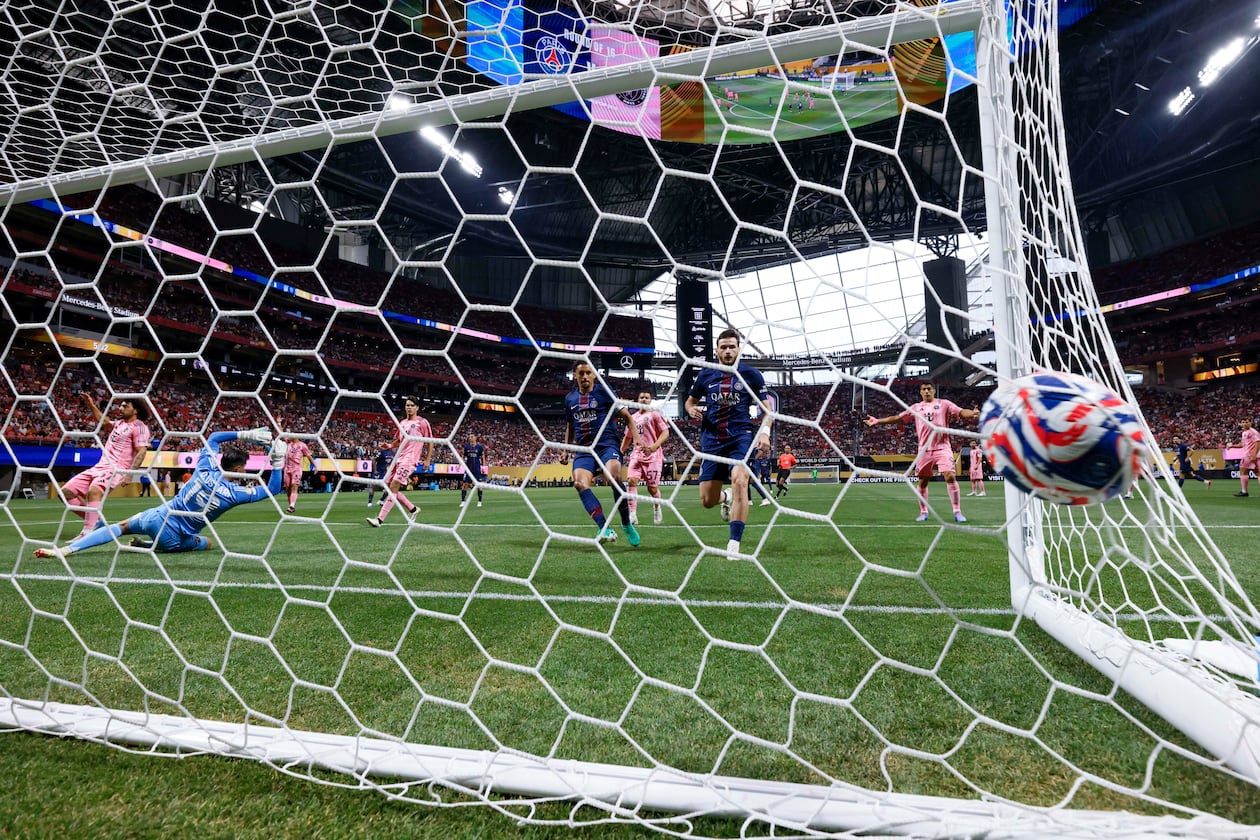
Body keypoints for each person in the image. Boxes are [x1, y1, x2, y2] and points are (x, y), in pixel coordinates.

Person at [34, 428, 284, 558]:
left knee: (119, 527)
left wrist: (246, 435)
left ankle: (66, 550)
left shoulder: (205, 467)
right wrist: (277, 461)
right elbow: (273, 489)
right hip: (172, 539)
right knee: (208, 544)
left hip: (157, 517)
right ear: (240, 469)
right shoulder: (235, 493)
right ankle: (152, 547)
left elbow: (215, 437)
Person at [684, 329, 772, 557]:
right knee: (707, 500)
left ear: (738, 349)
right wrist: (691, 409)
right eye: (723, 347)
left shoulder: (751, 374)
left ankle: (734, 544)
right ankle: (726, 498)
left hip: (740, 437)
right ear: (716, 350)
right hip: (712, 440)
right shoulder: (706, 375)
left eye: (732, 346)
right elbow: (689, 402)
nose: (728, 350)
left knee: (740, 479)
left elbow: (767, 410)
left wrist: (765, 433)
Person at [866, 382, 979, 523]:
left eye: (929, 389)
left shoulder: (944, 404)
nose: (926, 391)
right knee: (923, 481)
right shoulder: (915, 407)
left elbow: (961, 412)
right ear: (920, 392)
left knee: (950, 476)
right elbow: (899, 418)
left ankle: (957, 511)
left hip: (942, 448)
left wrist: (972, 413)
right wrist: (877, 421)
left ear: (933, 391)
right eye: (924, 389)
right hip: (924, 450)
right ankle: (923, 512)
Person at [561, 360, 642, 546]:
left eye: (588, 373)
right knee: (579, 483)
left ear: (594, 375)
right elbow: (570, 425)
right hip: (584, 451)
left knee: (614, 476)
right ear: (575, 376)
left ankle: (626, 523)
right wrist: (566, 450)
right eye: (581, 373)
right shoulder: (570, 399)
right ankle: (604, 527)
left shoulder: (604, 391)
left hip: (607, 445)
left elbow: (627, 416)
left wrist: (636, 438)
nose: (584, 377)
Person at [59, 394, 151, 540]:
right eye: (120, 405)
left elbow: (142, 450)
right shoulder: (120, 423)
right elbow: (104, 422)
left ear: (136, 410)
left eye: (125, 405)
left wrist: (129, 474)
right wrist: (91, 404)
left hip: (116, 469)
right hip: (100, 466)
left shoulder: (139, 427)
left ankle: (86, 534)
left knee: (94, 491)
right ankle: (95, 521)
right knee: (65, 493)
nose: (120, 408)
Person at [367, 397, 434, 527]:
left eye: (412, 405)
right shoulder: (402, 422)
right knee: (389, 486)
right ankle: (413, 509)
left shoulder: (422, 422)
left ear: (417, 407)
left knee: (393, 487)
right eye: (407, 405)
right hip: (399, 458)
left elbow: (430, 441)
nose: (409, 407)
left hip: (410, 460)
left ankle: (379, 520)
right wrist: (389, 446)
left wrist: (428, 459)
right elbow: (399, 440)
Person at [620, 388, 670, 525]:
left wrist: (654, 447)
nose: (643, 399)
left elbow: (665, 433)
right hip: (637, 454)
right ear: (637, 400)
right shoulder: (632, 418)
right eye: (641, 397)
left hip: (653, 456)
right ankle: (632, 514)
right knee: (631, 481)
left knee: (652, 489)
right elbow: (627, 437)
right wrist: (620, 451)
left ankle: (657, 506)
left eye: (646, 398)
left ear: (650, 400)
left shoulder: (654, 415)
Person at [280, 436, 314, 514]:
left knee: (294, 486)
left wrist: (315, 466)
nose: (289, 436)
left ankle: (292, 506)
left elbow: (309, 456)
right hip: (287, 469)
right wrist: (279, 424)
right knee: (288, 488)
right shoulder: (289, 442)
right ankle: (291, 505)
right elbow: (281, 435)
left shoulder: (302, 445)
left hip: (297, 469)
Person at [1231, 418, 1259, 498]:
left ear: (1250, 422)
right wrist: (1232, 446)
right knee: (1258, 473)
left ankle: (1244, 491)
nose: (1244, 424)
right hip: (1253, 455)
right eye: (1242, 422)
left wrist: (1254, 454)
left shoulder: (1252, 432)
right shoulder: (1245, 433)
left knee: (1243, 471)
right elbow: (1242, 444)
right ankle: (1244, 492)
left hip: (1249, 455)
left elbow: (1258, 442)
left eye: (1246, 422)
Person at [460, 433, 487, 508]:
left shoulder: (479, 447)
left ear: (475, 438)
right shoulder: (466, 447)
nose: (470, 438)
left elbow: (482, 457)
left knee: (479, 485)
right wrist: (460, 464)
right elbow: (463, 456)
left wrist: (484, 466)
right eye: (469, 437)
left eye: (472, 437)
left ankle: (479, 501)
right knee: (465, 484)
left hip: (477, 468)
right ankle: (463, 501)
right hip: (468, 468)